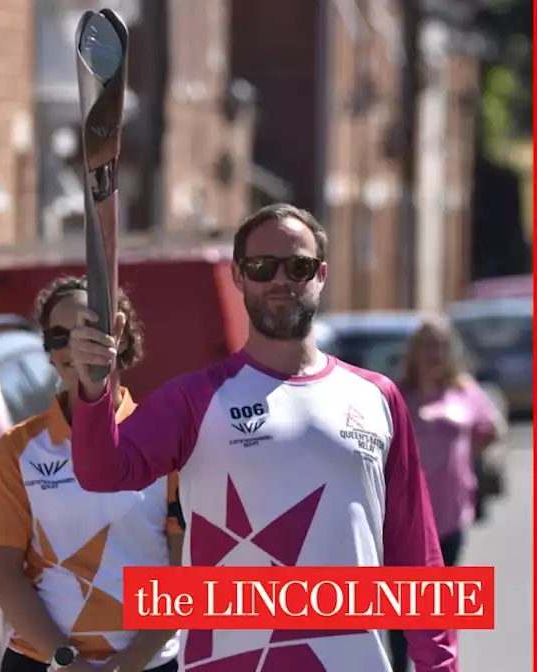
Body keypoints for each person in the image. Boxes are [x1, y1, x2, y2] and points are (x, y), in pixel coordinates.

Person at [64, 203, 458, 671]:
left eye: (298, 266)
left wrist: (439, 665)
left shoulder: (378, 397)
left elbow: (418, 557)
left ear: (321, 275)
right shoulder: (194, 399)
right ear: (238, 276)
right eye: (261, 267)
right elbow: (101, 472)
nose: (280, 280)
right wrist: (93, 390)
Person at [0, 278, 182, 672]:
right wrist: (66, 660)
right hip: (43, 662)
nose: (72, 349)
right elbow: (2, 572)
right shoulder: (18, 448)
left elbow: (185, 572)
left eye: (86, 333)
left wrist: (130, 663)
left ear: (119, 335)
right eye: (58, 337)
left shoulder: (167, 441)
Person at [386, 315, 506, 672]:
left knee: (435, 603)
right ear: (414, 351)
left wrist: (469, 456)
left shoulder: (465, 390)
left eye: (440, 345)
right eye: (427, 344)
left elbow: (493, 429)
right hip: (403, 516)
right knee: (401, 603)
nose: (434, 353)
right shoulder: (397, 393)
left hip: (449, 513)